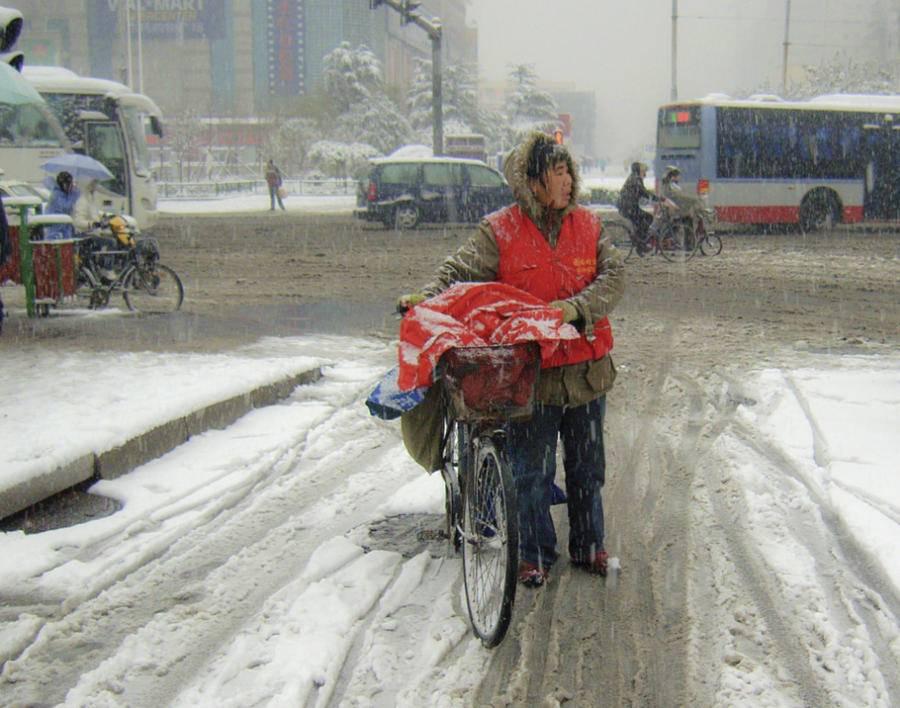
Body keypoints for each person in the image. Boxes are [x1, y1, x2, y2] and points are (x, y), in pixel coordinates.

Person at [399, 131, 625, 587]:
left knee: (588, 468)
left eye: (568, 171)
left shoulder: (589, 226)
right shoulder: (499, 230)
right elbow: (459, 274)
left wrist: (578, 308)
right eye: (556, 172)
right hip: (532, 376)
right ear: (531, 181)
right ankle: (535, 553)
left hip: (587, 372)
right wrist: (429, 297)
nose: (566, 181)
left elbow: (614, 276)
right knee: (530, 472)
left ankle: (588, 545)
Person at [617, 161, 655, 254]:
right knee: (648, 218)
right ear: (638, 170)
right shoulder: (636, 179)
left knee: (641, 220)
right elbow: (644, 192)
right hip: (628, 207)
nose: (644, 173)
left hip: (628, 206)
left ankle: (639, 241)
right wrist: (658, 199)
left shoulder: (634, 178)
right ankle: (640, 244)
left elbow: (642, 192)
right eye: (642, 170)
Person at [44, 171, 79, 240]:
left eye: (71, 183)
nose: (70, 186)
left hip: (65, 226)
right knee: (54, 242)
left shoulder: (65, 194)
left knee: (66, 243)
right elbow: (65, 206)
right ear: (62, 184)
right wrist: (74, 195)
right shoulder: (56, 194)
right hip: (55, 225)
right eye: (68, 184)